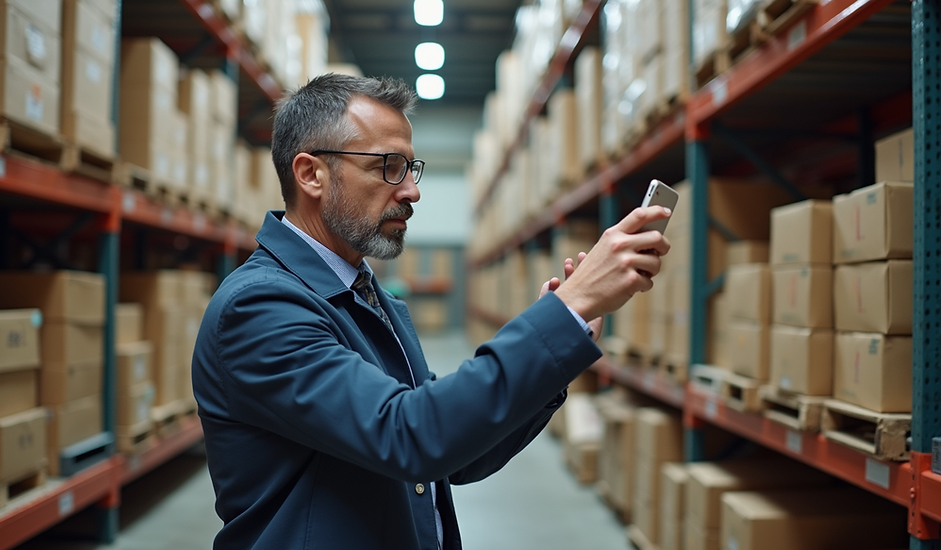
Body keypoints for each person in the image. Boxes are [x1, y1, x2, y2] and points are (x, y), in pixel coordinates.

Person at [191, 73, 671, 550]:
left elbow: (455, 455)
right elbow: (409, 435)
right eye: (388, 167)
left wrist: (563, 340)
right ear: (311, 174)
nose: (412, 191)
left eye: (410, 168)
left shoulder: (369, 298)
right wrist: (567, 311)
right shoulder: (258, 308)